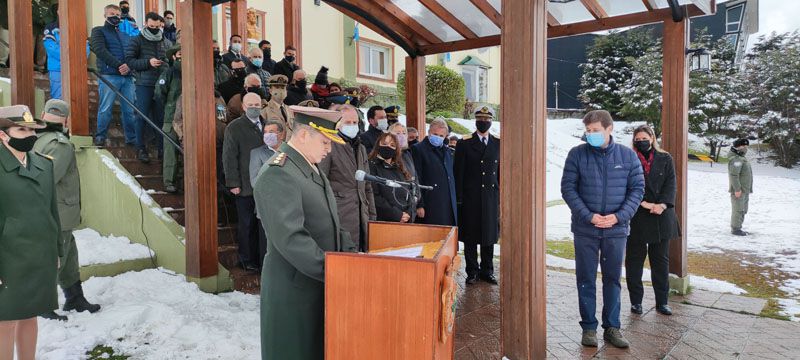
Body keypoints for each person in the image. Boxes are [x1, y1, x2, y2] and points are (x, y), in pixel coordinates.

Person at [254, 105, 358, 360]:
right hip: (295, 293)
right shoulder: (278, 173)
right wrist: (336, 271)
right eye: (324, 141)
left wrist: (354, 259)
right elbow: (292, 238)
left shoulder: (311, 168)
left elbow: (334, 222)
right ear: (302, 135)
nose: (329, 148)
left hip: (318, 285)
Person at [560, 110, 644, 349]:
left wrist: (618, 217)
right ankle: (588, 327)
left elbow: (637, 190)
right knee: (585, 278)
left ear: (609, 129)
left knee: (612, 279)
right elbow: (568, 189)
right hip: (586, 229)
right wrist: (589, 216)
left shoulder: (628, 157)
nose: (591, 135)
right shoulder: (577, 155)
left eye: (595, 130)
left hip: (616, 230)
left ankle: (612, 327)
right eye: (588, 131)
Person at [0, 105, 61, 360]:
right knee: (5, 321)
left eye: (30, 130)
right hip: (8, 257)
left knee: (31, 315)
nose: (28, 135)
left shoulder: (44, 165)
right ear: (3, 134)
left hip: (40, 255)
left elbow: (52, 212)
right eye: (20, 129)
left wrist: (57, 250)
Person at [33, 100, 102, 321]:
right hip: (57, 213)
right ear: (66, 120)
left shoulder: (37, 139)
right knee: (55, 258)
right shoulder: (60, 144)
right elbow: (46, 179)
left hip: (55, 213)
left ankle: (74, 297)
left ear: (43, 114)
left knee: (69, 256)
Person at [625, 125, 679, 317]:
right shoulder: (628, 159)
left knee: (660, 262)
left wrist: (662, 205)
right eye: (637, 139)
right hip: (637, 216)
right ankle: (636, 302)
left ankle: (662, 302)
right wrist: (645, 204)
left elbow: (671, 184)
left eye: (644, 138)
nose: (641, 142)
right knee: (634, 262)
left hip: (661, 216)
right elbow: (626, 186)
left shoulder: (665, 158)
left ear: (652, 138)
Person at [319, 105, 376, 251]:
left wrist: (371, 215)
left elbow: (367, 185)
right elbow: (320, 183)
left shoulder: (360, 148)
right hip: (340, 217)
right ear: (338, 124)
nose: (352, 126)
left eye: (355, 122)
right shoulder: (329, 145)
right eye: (348, 122)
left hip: (362, 216)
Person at [454, 106, 500, 286]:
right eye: (480, 119)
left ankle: (487, 270)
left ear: (491, 121)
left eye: (487, 119)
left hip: (490, 197)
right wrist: (459, 199)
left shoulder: (497, 143)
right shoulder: (464, 143)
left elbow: (500, 172)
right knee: (471, 237)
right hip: (470, 198)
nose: (483, 122)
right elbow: (459, 173)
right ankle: (472, 271)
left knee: (489, 236)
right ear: (475, 121)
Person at [223, 93, 266, 272]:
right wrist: (233, 182)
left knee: (261, 226)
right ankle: (246, 259)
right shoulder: (235, 127)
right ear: (243, 106)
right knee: (246, 224)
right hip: (245, 185)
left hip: (265, 185)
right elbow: (229, 156)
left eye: (257, 104)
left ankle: (261, 258)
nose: (255, 107)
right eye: (251, 105)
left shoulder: (268, 125)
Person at [125, 11, 173, 164]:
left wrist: (164, 64)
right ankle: (141, 148)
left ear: (161, 25)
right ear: (145, 23)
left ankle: (161, 149)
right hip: (143, 83)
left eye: (157, 27)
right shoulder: (136, 40)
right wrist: (148, 63)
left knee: (160, 118)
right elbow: (129, 61)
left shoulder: (166, 42)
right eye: (151, 26)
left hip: (161, 84)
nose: (154, 29)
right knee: (141, 116)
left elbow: (170, 62)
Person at [90, 4, 137, 147]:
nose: (115, 17)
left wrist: (128, 66)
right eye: (111, 14)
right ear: (105, 15)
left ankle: (132, 138)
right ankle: (100, 137)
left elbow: (132, 54)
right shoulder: (98, 31)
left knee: (129, 110)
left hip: (127, 77)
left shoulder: (125, 36)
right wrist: (119, 65)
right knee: (105, 109)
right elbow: (100, 50)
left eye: (117, 14)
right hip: (108, 75)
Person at [412, 117, 457, 226]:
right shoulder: (418, 149)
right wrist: (419, 204)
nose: (438, 137)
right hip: (430, 202)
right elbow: (417, 177)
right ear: (429, 132)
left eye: (441, 136)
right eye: (435, 134)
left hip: (448, 203)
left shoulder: (447, 151)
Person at [368, 133, 415, 223]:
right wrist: (396, 214)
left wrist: (408, 213)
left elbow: (410, 191)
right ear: (378, 145)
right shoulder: (371, 166)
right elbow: (374, 196)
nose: (388, 147)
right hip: (383, 221)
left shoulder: (400, 167)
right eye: (384, 144)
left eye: (392, 145)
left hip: (405, 219)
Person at [155, 45, 183, 193]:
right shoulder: (169, 73)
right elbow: (159, 94)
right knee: (170, 150)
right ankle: (169, 182)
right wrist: (170, 106)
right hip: (171, 117)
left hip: (189, 119)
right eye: (180, 53)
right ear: (174, 56)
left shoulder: (195, 73)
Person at [728, 138, 753, 236]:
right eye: (744, 146)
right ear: (738, 147)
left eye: (746, 146)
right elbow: (734, 175)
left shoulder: (741, 157)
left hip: (745, 189)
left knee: (743, 209)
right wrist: (737, 189)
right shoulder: (736, 159)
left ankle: (739, 227)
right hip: (739, 190)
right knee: (738, 209)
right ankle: (736, 229)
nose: (745, 148)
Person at [260, 74, 293, 139]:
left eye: (283, 88)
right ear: (270, 90)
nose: (280, 91)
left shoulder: (289, 109)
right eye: (277, 88)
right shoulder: (264, 109)